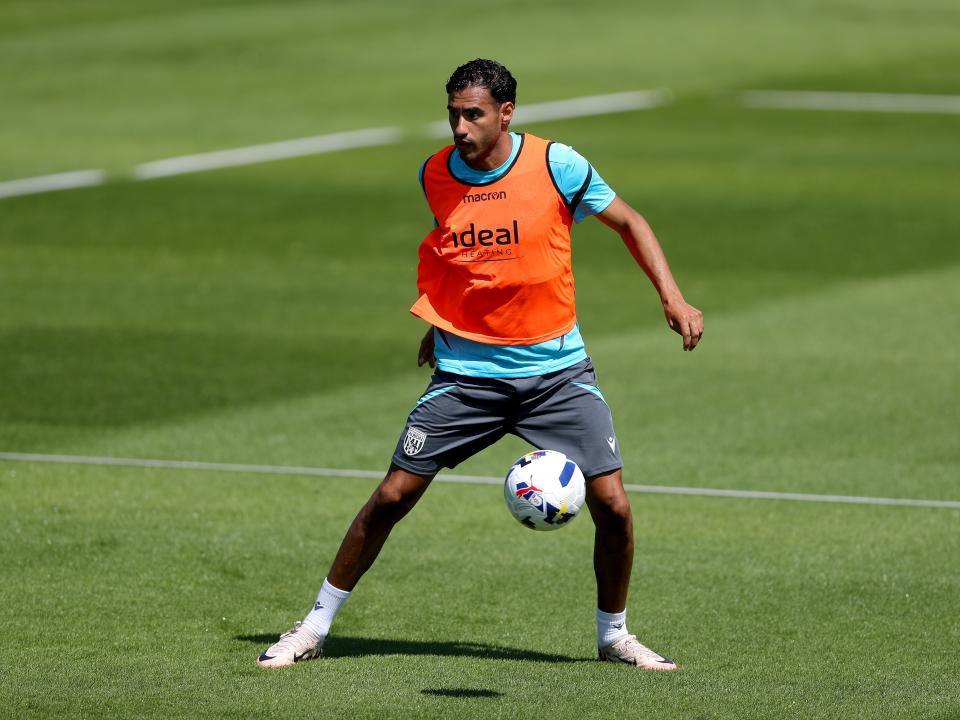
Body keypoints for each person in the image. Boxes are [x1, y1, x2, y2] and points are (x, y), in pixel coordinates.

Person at [258, 59, 703, 671]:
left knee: (615, 507)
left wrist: (672, 296)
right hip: (468, 375)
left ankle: (614, 636)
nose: (460, 128)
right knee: (392, 495)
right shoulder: (436, 173)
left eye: (473, 115)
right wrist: (438, 320)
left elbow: (629, 221)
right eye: (454, 114)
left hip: (557, 374)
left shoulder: (556, 164)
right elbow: (455, 254)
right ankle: (313, 627)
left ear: (506, 113)